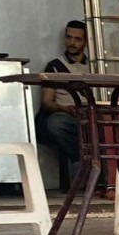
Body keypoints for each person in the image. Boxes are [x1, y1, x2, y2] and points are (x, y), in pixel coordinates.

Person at [37, 20, 89, 172]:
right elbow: (46, 102)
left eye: (77, 39)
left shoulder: (94, 65)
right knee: (56, 123)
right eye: (69, 37)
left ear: (86, 42)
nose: (72, 43)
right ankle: (82, 163)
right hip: (67, 116)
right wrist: (65, 109)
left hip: (91, 114)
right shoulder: (54, 66)